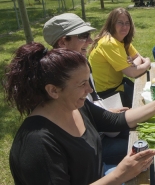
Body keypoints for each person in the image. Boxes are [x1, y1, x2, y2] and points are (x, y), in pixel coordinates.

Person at [4, 43, 155, 184]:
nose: (90, 90)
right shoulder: (37, 145)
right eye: (82, 84)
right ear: (53, 90)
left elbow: (117, 120)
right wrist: (120, 175)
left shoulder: (75, 107)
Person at [43, 13, 131, 167]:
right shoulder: (59, 80)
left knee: (136, 132)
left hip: (99, 129)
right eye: (84, 36)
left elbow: (89, 104)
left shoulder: (82, 64)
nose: (91, 40)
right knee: (137, 144)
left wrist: (107, 112)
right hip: (91, 146)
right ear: (63, 41)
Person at [89, 8, 151, 108]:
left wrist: (133, 64)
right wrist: (147, 63)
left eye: (127, 23)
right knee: (146, 106)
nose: (124, 27)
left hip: (119, 86)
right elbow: (131, 73)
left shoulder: (121, 39)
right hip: (108, 95)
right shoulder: (109, 43)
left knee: (149, 98)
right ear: (112, 24)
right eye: (120, 23)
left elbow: (138, 57)